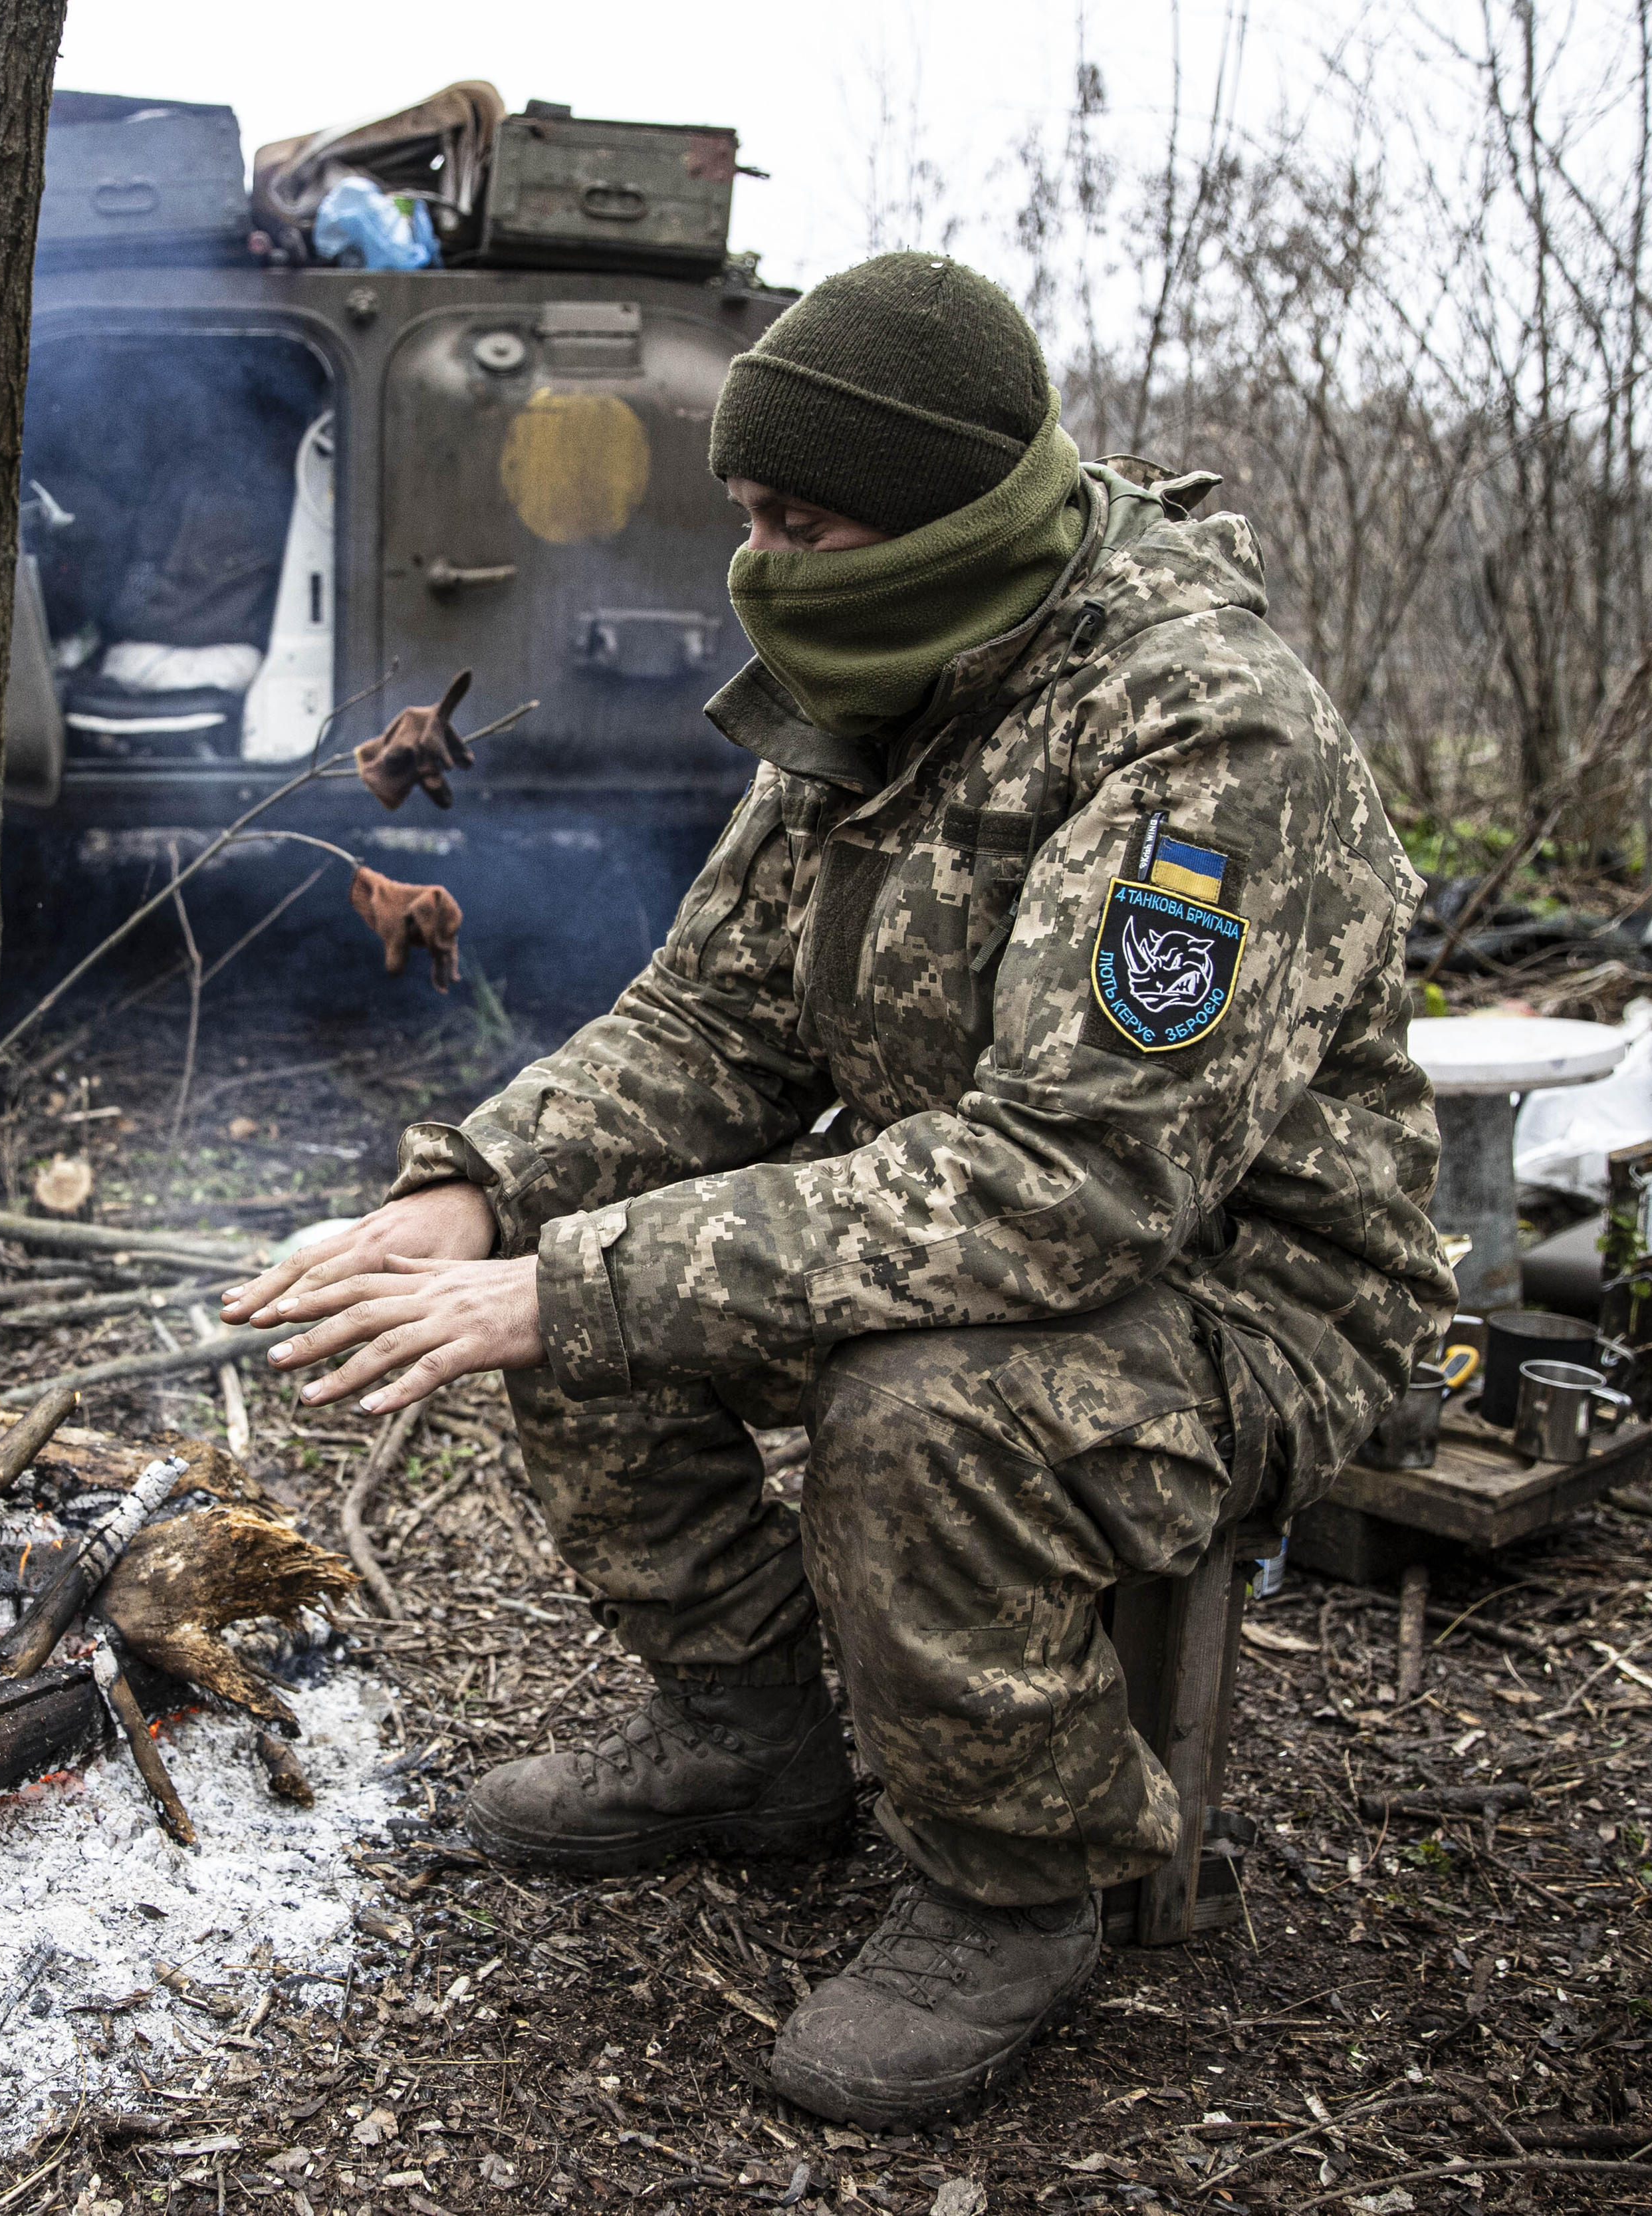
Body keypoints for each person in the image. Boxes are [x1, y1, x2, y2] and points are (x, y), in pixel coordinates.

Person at [222, 252, 1453, 2128]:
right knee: (574, 1270)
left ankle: (1013, 1885)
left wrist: (575, 1283)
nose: (769, 563)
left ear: (951, 504)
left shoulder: (1206, 738)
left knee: (907, 1406)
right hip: (970, 1211)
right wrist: (474, 1196)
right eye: (753, 519)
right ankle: (751, 1747)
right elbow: (707, 1031)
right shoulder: (871, 676)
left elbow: (1073, 1182)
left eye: (810, 518)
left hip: (1243, 1289)